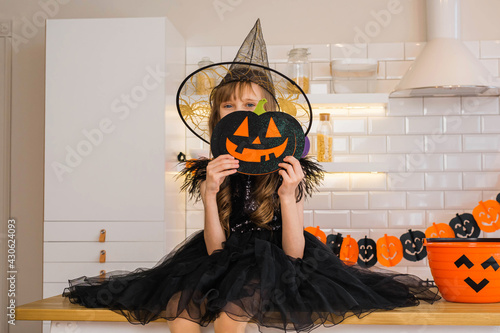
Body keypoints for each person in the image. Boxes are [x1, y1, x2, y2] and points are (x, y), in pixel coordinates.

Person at [63, 19, 440, 333]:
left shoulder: (287, 171)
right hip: (222, 258)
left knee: (229, 323)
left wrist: (288, 196)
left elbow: (294, 253)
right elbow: (214, 250)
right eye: (228, 105)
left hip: (276, 262)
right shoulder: (212, 171)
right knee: (180, 319)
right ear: (217, 119)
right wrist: (210, 193)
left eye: (249, 105)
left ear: (270, 117)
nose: (238, 111)